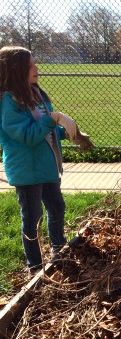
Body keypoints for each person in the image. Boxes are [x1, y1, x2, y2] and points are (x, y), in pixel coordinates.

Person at [0, 46, 80, 272]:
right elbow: (26, 136)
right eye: (31, 65)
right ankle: (34, 265)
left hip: (46, 166)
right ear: (16, 70)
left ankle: (58, 248)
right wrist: (54, 119)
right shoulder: (9, 102)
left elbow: (46, 129)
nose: (37, 68)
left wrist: (68, 133)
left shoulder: (36, 94)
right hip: (27, 171)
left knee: (56, 207)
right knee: (32, 218)